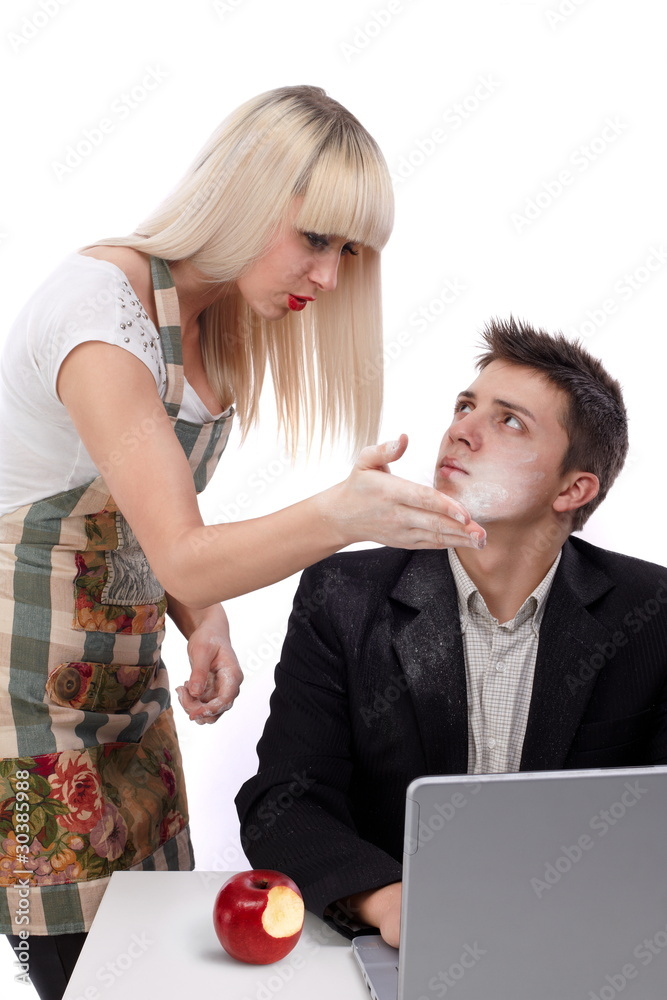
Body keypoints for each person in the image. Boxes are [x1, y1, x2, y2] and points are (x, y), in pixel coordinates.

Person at [0, 85, 485, 999]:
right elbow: (180, 548)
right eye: (316, 239)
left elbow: (151, 525)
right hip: (19, 712)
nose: (329, 277)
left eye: (348, 252)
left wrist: (205, 620)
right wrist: (345, 516)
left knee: (152, 968)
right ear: (244, 195)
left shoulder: (216, 325)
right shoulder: (99, 314)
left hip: (126, 699)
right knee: (74, 973)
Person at [236, 317, 667, 949]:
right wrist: (390, 903)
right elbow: (283, 801)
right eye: (466, 406)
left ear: (572, 489)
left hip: (586, 942)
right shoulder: (343, 596)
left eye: (509, 421)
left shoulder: (651, 611)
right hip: (401, 945)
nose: (461, 430)